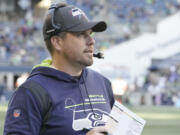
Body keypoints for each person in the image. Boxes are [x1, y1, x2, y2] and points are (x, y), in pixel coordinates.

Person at [4, 3, 115, 135]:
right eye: (80, 34)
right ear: (57, 42)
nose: (92, 41)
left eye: (90, 34)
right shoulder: (31, 93)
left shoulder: (102, 83)